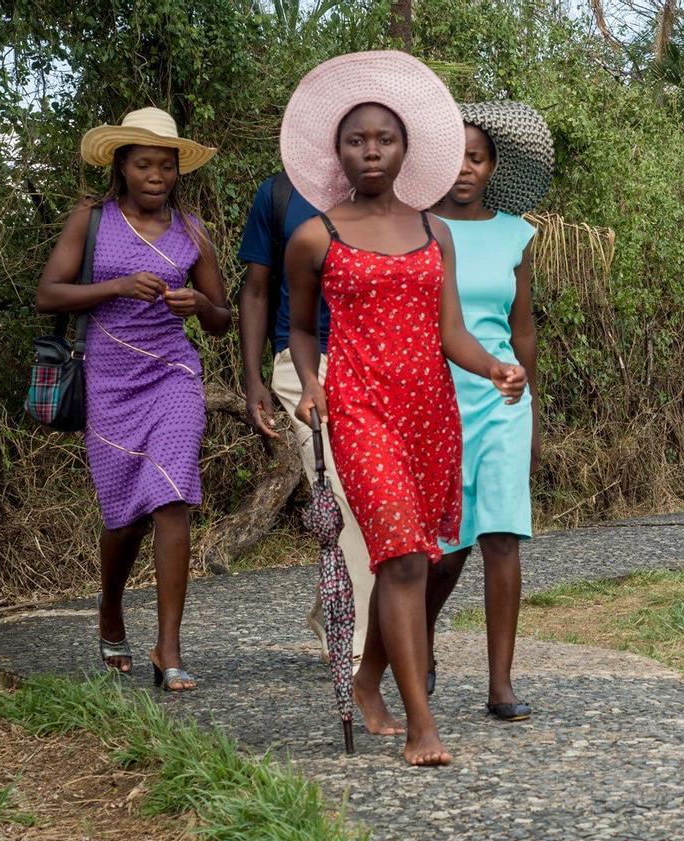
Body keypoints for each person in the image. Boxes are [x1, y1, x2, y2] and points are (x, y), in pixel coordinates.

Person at [280, 51, 526, 765]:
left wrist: (496, 366)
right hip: (360, 408)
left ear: (405, 147)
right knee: (403, 559)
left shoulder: (435, 231)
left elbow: (452, 332)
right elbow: (300, 327)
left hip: (431, 410)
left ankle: (368, 679)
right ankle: (423, 724)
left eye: (383, 139)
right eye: (356, 140)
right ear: (338, 151)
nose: (370, 151)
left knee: (432, 558)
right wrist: (311, 383)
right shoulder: (314, 235)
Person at [35, 107, 231, 691]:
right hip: (110, 381)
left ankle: (168, 647)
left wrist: (199, 305)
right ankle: (111, 608)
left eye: (166, 167)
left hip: (173, 374)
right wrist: (117, 286)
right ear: (121, 167)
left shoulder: (192, 231)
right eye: (144, 164)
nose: (157, 176)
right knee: (123, 518)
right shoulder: (91, 219)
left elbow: (221, 317)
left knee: (173, 498)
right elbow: (49, 294)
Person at [424, 101, 554, 721]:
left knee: (502, 537)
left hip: (503, 396)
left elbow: (521, 331)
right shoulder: (417, 229)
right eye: (452, 157)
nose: (464, 169)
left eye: (475, 157)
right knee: (447, 546)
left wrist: (532, 412)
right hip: (436, 394)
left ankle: (500, 684)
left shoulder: (514, 233)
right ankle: (416, 638)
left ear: (493, 166)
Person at [237, 168, 375, 670]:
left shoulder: (385, 188)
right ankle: (357, 644)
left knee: (373, 495)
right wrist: (253, 379)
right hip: (302, 363)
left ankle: (329, 609)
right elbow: (256, 289)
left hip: (374, 360)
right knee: (342, 493)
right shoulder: (277, 193)